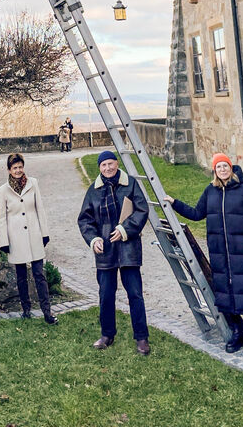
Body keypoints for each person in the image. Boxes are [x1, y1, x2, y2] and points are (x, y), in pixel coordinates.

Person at [164, 152, 243, 353]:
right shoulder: (210, 192)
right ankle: (237, 331)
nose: (222, 170)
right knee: (226, 293)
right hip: (220, 254)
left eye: (225, 166)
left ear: (231, 168)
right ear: (215, 171)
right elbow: (196, 213)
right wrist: (175, 203)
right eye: (218, 167)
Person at [77, 151, 150, 355]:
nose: (108, 168)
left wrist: (125, 229)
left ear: (117, 164)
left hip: (128, 248)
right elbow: (85, 220)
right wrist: (93, 239)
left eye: (110, 164)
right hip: (105, 250)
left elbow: (142, 210)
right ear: (99, 168)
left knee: (135, 294)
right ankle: (107, 334)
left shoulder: (131, 184)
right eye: (103, 165)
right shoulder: (94, 190)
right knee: (106, 295)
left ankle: (142, 338)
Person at [0, 153, 58, 324]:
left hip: (34, 234)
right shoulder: (2, 191)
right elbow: (2, 218)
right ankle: (26, 309)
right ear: (9, 170)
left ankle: (47, 312)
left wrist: (44, 233)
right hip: (15, 238)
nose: (18, 170)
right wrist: (4, 241)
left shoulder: (33, 183)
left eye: (20, 167)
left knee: (39, 274)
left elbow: (40, 209)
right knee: (21, 276)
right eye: (14, 168)